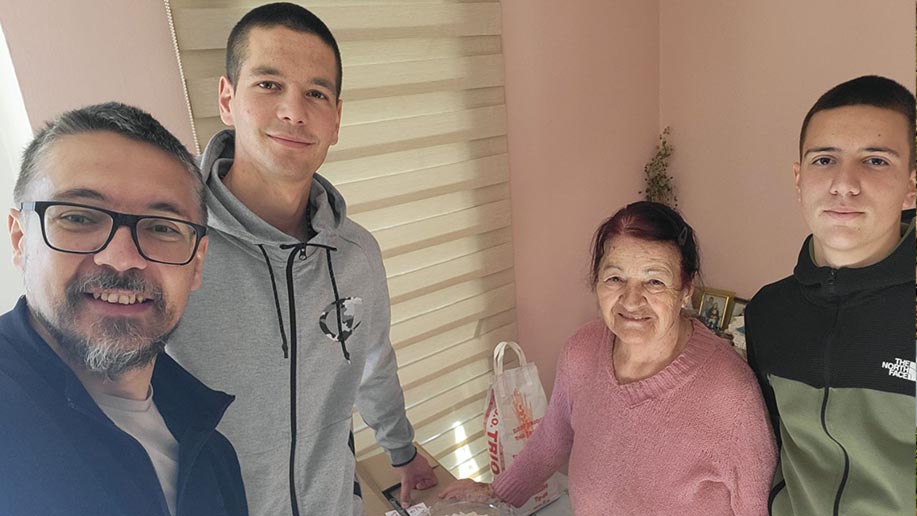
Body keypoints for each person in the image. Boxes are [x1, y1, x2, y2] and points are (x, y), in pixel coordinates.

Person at [165, 3, 436, 515]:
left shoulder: (356, 255)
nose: (294, 111)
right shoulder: (167, 247)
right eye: (268, 84)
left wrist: (402, 452)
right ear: (227, 99)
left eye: (316, 93)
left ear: (336, 120)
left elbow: (374, 364)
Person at [440, 201, 777, 515]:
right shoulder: (581, 351)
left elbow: (757, 508)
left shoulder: (730, 394)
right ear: (596, 281)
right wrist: (496, 492)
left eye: (654, 281)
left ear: (686, 290)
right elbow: (553, 437)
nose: (631, 301)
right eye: (616, 278)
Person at [0, 103, 247, 516]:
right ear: (21, 239)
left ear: (197, 262)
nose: (122, 258)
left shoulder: (213, 451)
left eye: (162, 227)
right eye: (80, 218)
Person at [745, 75, 916, 515]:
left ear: (912, 186)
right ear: (799, 179)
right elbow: (767, 445)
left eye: (875, 161)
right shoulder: (768, 312)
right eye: (824, 160)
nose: (844, 184)